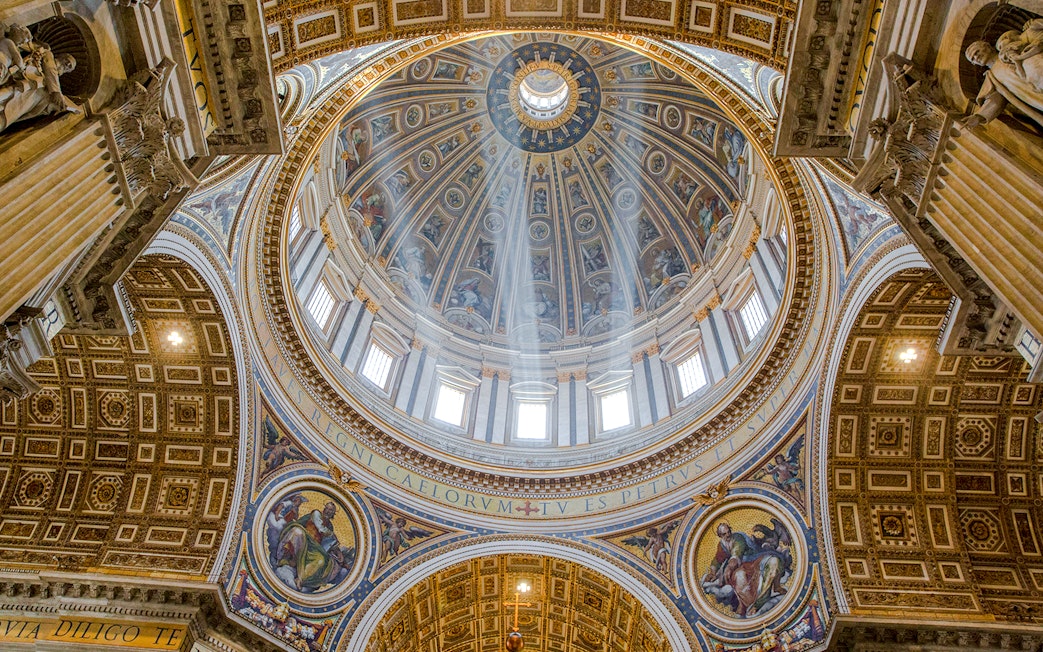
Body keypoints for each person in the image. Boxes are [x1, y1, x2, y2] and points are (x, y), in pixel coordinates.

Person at [0, 37, 78, 133]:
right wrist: (56, 92)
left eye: (70, 67)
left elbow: (43, 109)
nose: (67, 65)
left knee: (7, 115)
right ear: (62, 56)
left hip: (27, 102)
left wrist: (61, 105)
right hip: (23, 85)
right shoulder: (49, 55)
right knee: (4, 95)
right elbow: (50, 68)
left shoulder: (51, 89)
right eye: (68, 61)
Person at [964, 40, 1043, 129]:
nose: (976, 57)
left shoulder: (1008, 51)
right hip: (1032, 97)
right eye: (973, 59)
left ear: (987, 46)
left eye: (977, 52)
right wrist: (978, 116)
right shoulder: (992, 77)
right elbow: (995, 100)